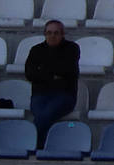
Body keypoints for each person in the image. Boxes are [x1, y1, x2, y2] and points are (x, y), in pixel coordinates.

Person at [25, 20, 80, 149]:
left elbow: (68, 71)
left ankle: (33, 146)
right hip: (40, 95)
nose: (52, 36)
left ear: (62, 34)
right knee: (41, 115)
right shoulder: (36, 50)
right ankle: (41, 147)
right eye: (49, 33)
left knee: (44, 116)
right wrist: (54, 76)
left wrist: (43, 71)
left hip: (64, 95)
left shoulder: (72, 48)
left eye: (56, 33)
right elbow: (30, 74)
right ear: (44, 34)